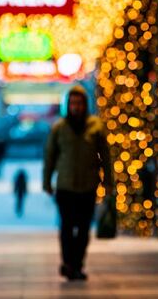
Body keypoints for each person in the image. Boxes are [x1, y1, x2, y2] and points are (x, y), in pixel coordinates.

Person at [43, 85, 112, 281]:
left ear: (85, 104)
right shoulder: (59, 127)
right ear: (68, 105)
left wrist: (108, 182)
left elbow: (105, 157)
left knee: (83, 229)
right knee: (66, 227)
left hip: (88, 185)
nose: (76, 107)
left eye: (79, 103)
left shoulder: (95, 126)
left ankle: (77, 264)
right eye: (73, 103)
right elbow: (50, 156)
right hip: (65, 186)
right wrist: (47, 181)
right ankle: (68, 263)